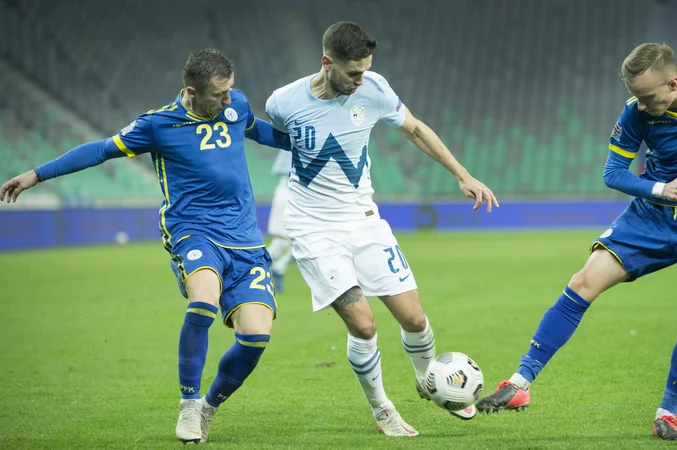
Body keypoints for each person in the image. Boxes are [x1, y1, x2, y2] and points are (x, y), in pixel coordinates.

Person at [475, 43, 677, 441]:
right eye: (637, 97)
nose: (642, 105)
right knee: (582, 281)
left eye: (649, 97)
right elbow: (613, 173)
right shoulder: (636, 112)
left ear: (674, 82)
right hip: (652, 214)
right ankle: (519, 384)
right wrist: (661, 188)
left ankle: (668, 411)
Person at [0, 49, 291, 444]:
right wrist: (36, 174)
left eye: (230, 92)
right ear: (192, 91)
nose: (228, 100)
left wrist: (308, 144)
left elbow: (260, 131)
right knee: (203, 300)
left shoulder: (235, 104)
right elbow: (100, 150)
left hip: (244, 239)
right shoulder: (158, 125)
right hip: (193, 232)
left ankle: (208, 407)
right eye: (219, 95)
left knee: (256, 336)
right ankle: (188, 405)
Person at [265, 21, 498, 436]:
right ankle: (383, 409)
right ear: (326, 62)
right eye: (353, 73)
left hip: (364, 221)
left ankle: (430, 379)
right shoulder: (283, 101)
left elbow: (415, 129)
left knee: (414, 318)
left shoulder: (374, 88)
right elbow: (274, 136)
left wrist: (462, 175)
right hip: (314, 229)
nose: (360, 80)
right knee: (365, 325)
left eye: (365, 70)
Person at [265, 150, 295, 293]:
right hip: (288, 191)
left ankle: (277, 268)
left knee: (295, 241)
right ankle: (263, 269)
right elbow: (281, 169)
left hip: (297, 193)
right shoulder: (292, 143)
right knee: (283, 239)